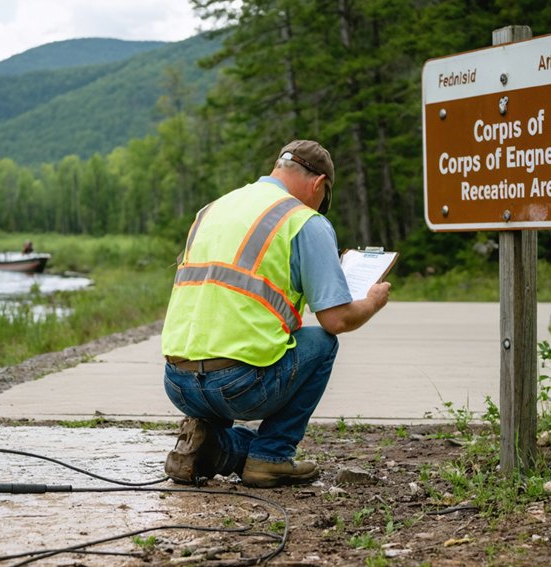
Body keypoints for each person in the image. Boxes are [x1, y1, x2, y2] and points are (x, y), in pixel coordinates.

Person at [161, 139, 391, 488]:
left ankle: (208, 444)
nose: (320, 207)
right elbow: (336, 319)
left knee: (226, 361)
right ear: (318, 185)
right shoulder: (302, 220)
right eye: (324, 199)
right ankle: (271, 457)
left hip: (178, 383)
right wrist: (371, 302)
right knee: (322, 342)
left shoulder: (213, 209)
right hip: (238, 386)